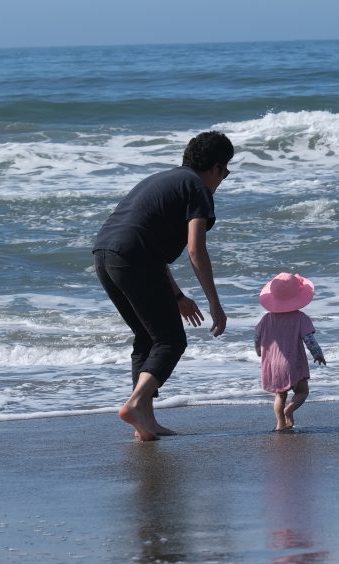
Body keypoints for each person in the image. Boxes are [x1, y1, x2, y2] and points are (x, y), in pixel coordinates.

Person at [93, 131, 233, 441]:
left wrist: (178, 295)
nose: (223, 180)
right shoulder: (198, 188)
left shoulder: (165, 179)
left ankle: (146, 421)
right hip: (133, 257)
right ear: (216, 168)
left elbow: (147, 244)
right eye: (226, 172)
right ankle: (135, 404)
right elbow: (196, 250)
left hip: (105, 254)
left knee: (147, 337)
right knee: (171, 341)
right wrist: (215, 303)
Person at [254, 272, 326, 432]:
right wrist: (318, 354)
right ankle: (289, 410)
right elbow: (310, 340)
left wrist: (258, 351)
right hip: (293, 363)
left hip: (272, 364)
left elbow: (257, 337)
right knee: (302, 391)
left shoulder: (266, 319)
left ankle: (280, 423)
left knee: (280, 395)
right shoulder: (301, 318)